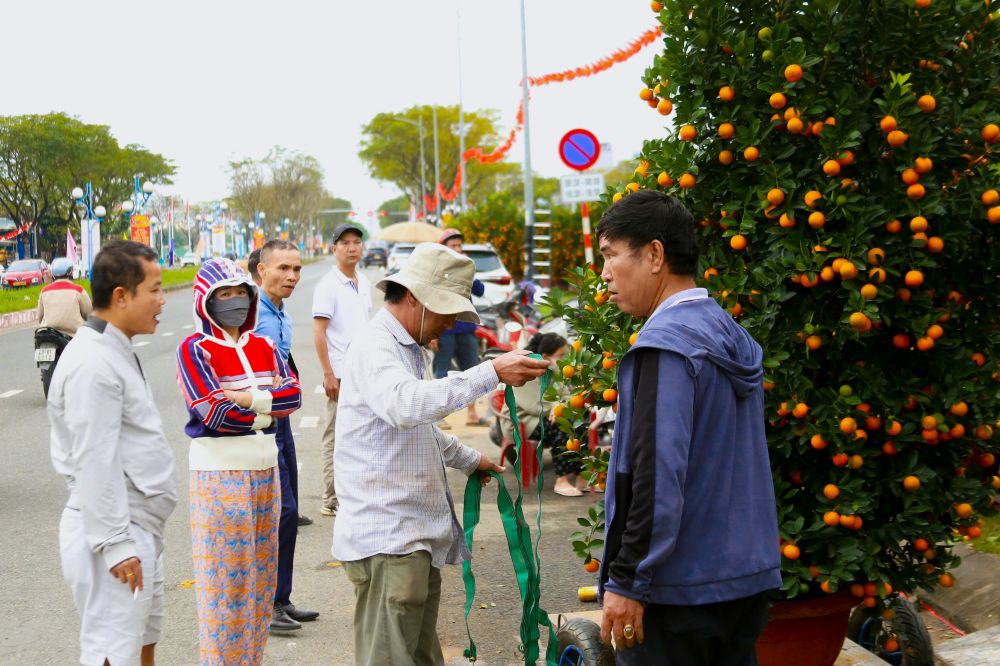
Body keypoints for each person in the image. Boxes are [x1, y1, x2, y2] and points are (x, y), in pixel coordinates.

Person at [332, 242, 551, 666]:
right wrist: (491, 372)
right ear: (414, 297)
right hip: (389, 539)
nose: (449, 325)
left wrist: (471, 459)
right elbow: (406, 405)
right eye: (446, 313)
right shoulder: (376, 346)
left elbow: (419, 427)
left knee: (418, 657)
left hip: (411, 537)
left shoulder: (408, 348)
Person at [594, 190, 781, 664]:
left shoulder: (665, 347)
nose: (604, 274)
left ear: (654, 254)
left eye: (611, 255)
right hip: (746, 578)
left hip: (678, 591)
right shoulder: (727, 331)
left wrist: (628, 580)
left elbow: (656, 475)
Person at [48, 240, 178, 666]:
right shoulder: (92, 362)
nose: (163, 300)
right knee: (111, 652)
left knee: (141, 642)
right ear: (121, 296)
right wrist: (115, 544)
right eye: (155, 289)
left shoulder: (114, 346)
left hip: (137, 526)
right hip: (113, 530)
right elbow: (93, 458)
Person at [176, 257, 303, 665]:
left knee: (260, 590)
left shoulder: (264, 346)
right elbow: (214, 413)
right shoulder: (195, 349)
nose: (233, 302)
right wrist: (268, 410)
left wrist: (249, 402)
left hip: (266, 470)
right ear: (205, 302)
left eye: (239, 294)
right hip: (220, 476)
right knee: (225, 594)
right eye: (223, 295)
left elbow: (295, 396)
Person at [252, 239, 319, 633]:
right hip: (261, 424)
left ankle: (282, 598)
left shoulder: (281, 312)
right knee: (282, 511)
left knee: (290, 515)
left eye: (296, 269)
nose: (291, 276)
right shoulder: (251, 313)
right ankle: (268, 604)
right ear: (263, 270)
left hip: (284, 420)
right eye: (282, 268)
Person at [312, 222, 372, 517]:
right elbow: (319, 333)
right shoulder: (328, 286)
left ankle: (354, 492)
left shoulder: (364, 281)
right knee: (335, 436)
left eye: (356, 242)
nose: (351, 247)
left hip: (364, 373)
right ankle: (330, 498)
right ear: (334, 248)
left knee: (362, 434)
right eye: (345, 242)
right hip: (340, 375)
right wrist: (328, 373)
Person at [497, 332, 587, 496]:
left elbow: (567, 397)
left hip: (543, 416)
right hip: (523, 421)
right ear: (546, 356)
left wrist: (559, 406)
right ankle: (562, 480)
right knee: (562, 426)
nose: (566, 358)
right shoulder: (525, 373)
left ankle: (582, 477)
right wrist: (557, 406)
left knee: (580, 423)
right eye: (561, 355)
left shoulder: (555, 372)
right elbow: (534, 405)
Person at [431, 228, 487, 427]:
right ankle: (438, 416)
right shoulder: (437, 271)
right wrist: (432, 334)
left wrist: (468, 269)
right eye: (453, 245)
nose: (457, 248)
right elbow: (431, 301)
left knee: (472, 373)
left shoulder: (466, 268)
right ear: (444, 249)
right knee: (441, 373)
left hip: (466, 328)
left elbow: (480, 291)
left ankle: (472, 414)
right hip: (443, 330)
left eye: (459, 245)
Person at [37, 257, 92, 336]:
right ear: (70, 272)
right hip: (73, 335)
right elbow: (88, 314)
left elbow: (40, 317)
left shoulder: (44, 291)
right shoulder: (79, 290)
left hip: (48, 334)